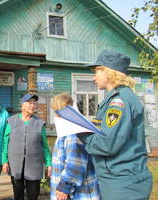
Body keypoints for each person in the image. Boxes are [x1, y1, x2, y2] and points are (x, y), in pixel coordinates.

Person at [77, 50, 153, 200]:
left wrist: (81, 133)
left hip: (123, 182)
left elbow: (107, 144)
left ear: (109, 72)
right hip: (120, 178)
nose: (94, 78)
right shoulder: (116, 98)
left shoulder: (119, 102)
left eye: (97, 71)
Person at [50, 93, 100, 200]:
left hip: (79, 193)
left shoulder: (72, 129)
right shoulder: (68, 126)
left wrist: (65, 187)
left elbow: (75, 162)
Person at [2, 93, 52, 200]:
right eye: (30, 103)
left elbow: (45, 146)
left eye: (34, 103)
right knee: (18, 194)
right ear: (22, 105)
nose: (33, 105)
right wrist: (4, 161)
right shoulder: (11, 121)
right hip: (16, 165)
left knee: (33, 195)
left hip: (34, 166)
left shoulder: (40, 123)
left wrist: (48, 163)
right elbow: (6, 142)